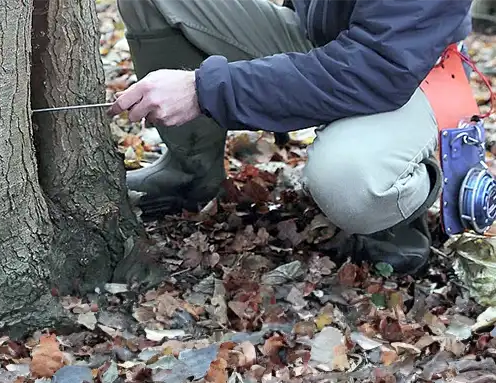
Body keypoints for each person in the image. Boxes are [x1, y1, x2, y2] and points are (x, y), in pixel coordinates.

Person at [108, 0, 478, 276]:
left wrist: (203, 90)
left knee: (351, 180)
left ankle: (399, 212)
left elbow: (376, 68)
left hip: (412, 73)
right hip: (322, 41)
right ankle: (189, 172)